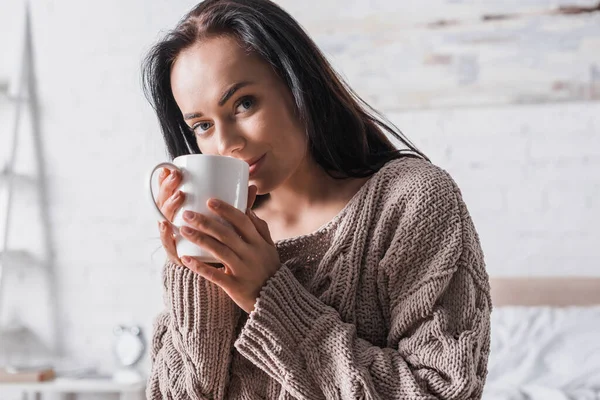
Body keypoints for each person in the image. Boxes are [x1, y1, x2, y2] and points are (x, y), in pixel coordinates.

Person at [141, 0, 491, 398]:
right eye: (202, 125)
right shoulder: (227, 234)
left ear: (297, 85)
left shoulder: (412, 202)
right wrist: (196, 272)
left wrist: (269, 296)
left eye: (244, 103)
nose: (227, 144)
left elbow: (440, 391)